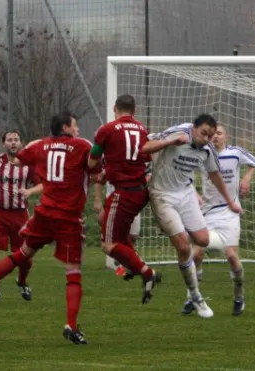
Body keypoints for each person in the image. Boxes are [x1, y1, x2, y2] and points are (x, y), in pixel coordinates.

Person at [0, 113, 94, 344]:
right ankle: (72, 325)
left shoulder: (43, 145)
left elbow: (19, 159)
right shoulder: (82, 145)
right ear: (66, 127)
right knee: (73, 272)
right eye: (75, 125)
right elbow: (96, 164)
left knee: (22, 253)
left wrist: (39, 143)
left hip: (44, 214)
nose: (77, 129)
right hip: (67, 218)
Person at [141, 114, 242, 318]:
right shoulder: (179, 133)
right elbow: (145, 146)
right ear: (194, 128)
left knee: (203, 240)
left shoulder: (207, 149)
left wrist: (230, 202)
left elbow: (215, 175)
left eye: (210, 135)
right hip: (162, 194)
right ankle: (195, 295)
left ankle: (172, 227)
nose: (206, 138)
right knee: (184, 247)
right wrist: (171, 142)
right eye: (203, 133)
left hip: (186, 193)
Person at [88, 94, 158, 304]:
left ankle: (146, 272)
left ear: (114, 109)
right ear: (134, 111)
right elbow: (143, 158)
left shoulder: (107, 130)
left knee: (108, 245)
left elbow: (92, 162)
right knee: (121, 238)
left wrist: (101, 169)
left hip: (124, 192)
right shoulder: (142, 129)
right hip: (140, 191)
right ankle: (134, 268)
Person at [189, 123, 255, 316]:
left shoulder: (235, 153)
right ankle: (193, 297)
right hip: (208, 212)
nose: (215, 137)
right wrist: (195, 193)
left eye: (219, 133)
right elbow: (186, 174)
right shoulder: (202, 154)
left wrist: (246, 179)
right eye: (212, 134)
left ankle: (238, 297)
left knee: (231, 256)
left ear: (226, 136)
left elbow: (254, 163)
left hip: (230, 212)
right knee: (196, 255)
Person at [0, 131, 41, 304]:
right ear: (3, 144)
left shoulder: (29, 165)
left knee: (25, 256)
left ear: (21, 143)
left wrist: (30, 191)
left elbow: (43, 184)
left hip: (20, 215)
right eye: (9, 140)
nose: (13, 143)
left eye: (16, 140)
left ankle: (22, 281)